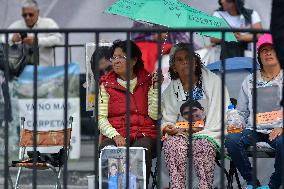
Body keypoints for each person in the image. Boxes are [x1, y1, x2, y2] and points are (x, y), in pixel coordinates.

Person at [161, 43, 230, 188]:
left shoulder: (213, 82)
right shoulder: (171, 89)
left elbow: (221, 113)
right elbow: (168, 119)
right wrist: (169, 128)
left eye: (188, 58)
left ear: (196, 62)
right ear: (173, 67)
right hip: (181, 134)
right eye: (179, 60)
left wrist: (200, 132)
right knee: (172, 145)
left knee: (201, 145)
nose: (185, 62)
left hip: (208, 132)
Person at [225, 34, 283, 189]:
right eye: (264, 50)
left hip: (279, 130)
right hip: (253, 129)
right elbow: (242, 112)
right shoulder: (249, 80)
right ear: (259, 55)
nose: (268, 53)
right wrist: (236, 124)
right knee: (232, 140)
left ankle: (273, 185)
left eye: (272, 49)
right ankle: (252, 182)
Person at [98, 40, 159, 187]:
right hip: (117, 133)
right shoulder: (105, 85)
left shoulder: (149, 81)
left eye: (121, 57)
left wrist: (156, 89)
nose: (116, 61)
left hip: (144, 133)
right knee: (108, 151)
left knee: (140, 152)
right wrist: (115, 135)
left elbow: (155, 116)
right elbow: (101, 118)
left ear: (133, 61)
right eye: (114, 57)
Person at [8, 0, 62, 66]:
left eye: (31, 14)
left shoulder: (48, 23)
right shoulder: (16, 25)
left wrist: (37, 41)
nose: (27, 17)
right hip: (21, 72)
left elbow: (58, 39)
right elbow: (2, 38)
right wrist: (12, 39)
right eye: (24, 15)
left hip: (44, 70)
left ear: (38, 12)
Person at [131, 21, 198, 73]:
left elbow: (185, 40)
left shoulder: (174, 19)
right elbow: (135, 36)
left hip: (167, 49)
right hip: (147, 48)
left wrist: (203, 49)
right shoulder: (144, 17)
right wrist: (154, 37)